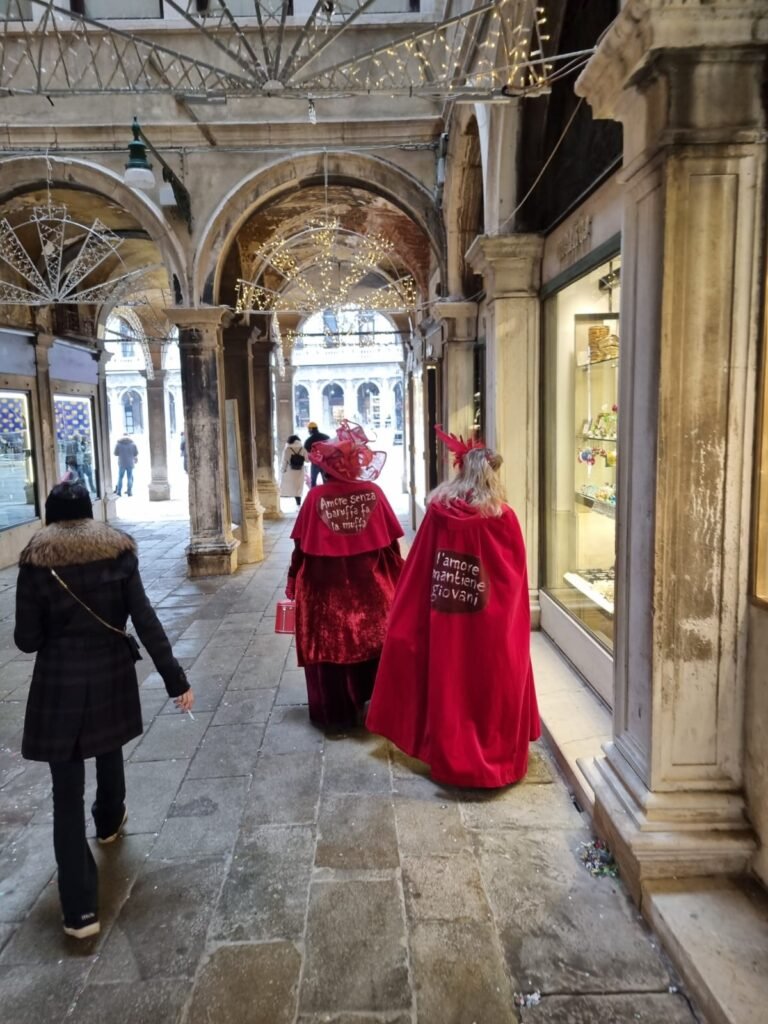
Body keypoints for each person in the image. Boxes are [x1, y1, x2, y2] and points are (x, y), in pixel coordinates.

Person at [14, 482, 194, 939]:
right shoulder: (118, 554)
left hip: (59, 682)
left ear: (50, 516)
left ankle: (79, 912)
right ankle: (110, 820)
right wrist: (176, 679)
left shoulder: (36, 562)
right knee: (108, 744)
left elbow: (27, 639)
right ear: (90, 514)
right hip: (110, 672)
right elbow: (146, 619)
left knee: (64, 793)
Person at [366, 427, 540, 787]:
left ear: (461, 471)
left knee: (450, 679)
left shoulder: (438, 511)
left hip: (444, 614)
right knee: (492, 681)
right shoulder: (502, 517)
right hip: (489, 622)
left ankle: (451, 755)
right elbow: (513, 576)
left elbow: (419, 567)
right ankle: (497, 762)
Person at [285, 420, 404, 731]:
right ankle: (378, 707)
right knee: (374, 645)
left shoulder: (314, 499)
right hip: (372, 592)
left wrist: (291, 581)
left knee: (330, 648)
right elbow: (392, 545)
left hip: (325, 595)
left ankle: (336, 715)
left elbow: (301, 548)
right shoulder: (373, 493)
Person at [280, 434, 308, 507]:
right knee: (299, 486)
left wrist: (283, 470)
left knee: (291, 486)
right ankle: (298, 503)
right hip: (300, 470)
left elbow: (284, 461)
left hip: (290, 470)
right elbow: (307, 460)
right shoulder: (302, 448)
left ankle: (294, 501)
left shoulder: (287, 449)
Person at [303, 421, 330, 487]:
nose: (308, 431)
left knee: (313, 481)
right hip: (325, 462)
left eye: (308, 430)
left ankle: (314, 495)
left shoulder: (309, 440)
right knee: (326, 481)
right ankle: (327, 494)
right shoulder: (326, 437)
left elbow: (306, 451)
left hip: (315, 463)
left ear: (311, 429)